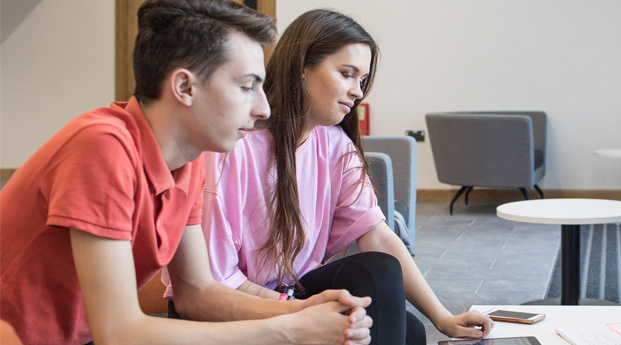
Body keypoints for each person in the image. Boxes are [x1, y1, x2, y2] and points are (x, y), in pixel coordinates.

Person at [0, 1, 373, 344]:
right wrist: (290, 328)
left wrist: (301, 309)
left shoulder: (188, 162)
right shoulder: (102, 147)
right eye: (246, 87)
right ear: (184, 87)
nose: (264, 108)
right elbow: (118, 331)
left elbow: (197, 292)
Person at [165, 9, 493, 344]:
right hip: (229, 306)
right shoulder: (231, 147)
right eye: (347, 74)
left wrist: (442, 317)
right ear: (303, 68)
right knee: (386, 304)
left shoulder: (336, 145)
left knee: (404, 321)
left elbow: (378, 236)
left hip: (287, 292)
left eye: (362, 80)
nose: (358, 92)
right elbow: (214, 284)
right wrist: (298, 310)